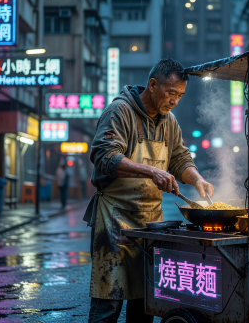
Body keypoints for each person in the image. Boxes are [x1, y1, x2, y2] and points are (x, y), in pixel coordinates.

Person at [83, 58, 214, 323]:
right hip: (114, 220)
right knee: (109, 300)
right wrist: (151, 170)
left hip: (149, 223)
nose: (175, 100)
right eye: (171, 93)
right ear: (153, 85)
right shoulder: (120, 111)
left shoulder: (169, 121)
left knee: (145, 303)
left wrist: (197, 179)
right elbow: (104, 156)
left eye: (180, 95)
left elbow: (179, 159)